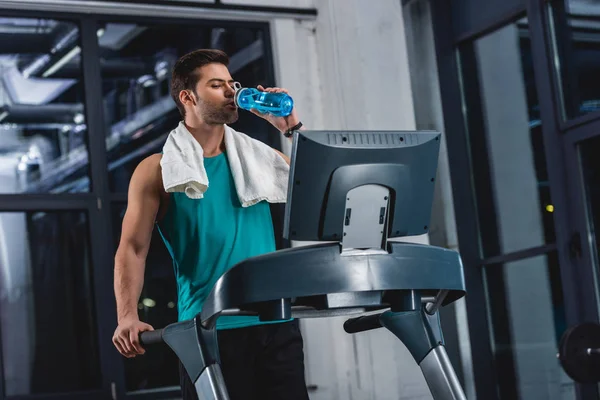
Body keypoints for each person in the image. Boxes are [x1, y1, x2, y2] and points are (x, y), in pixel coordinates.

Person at [111, 49, 309, 400]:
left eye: (232, 83)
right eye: (217, 85)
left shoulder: (260, 160)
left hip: (275, 325)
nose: (232, 91)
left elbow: (315, 186)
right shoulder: (157, 170)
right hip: (209, 333)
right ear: (188, 97)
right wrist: (127, 316)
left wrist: (289, 127)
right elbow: (133, 248)